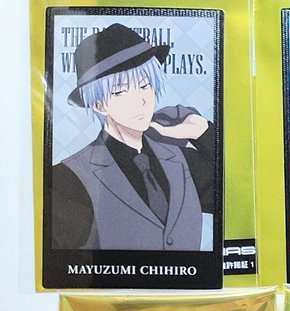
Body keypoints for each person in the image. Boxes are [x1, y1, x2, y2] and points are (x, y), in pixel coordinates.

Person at [51, 23, 217, 251]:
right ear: (99, 104)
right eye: (120, 91)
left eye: (145, 85)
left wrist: (202, 132)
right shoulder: (68, 177)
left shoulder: (182, 161)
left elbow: (244, 192)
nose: (141, 100)